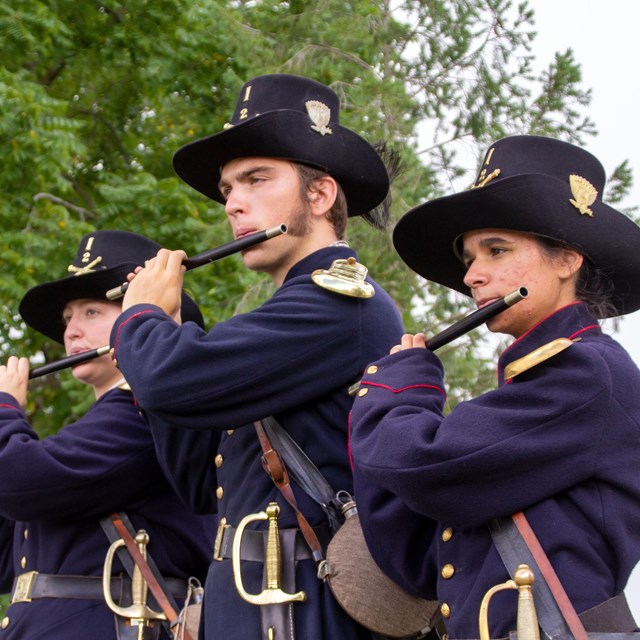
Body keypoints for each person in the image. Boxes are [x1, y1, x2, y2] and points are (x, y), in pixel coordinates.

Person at [106, 73, 405, 640]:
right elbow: (198, 484)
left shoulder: (340, 305)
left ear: (319, 195)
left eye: (256, 179)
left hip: (304, 608)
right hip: (251, 606)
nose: (234, 204)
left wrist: (140, 318)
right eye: (227, 190)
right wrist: (164, 327)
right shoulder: (288, 313)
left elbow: (172, 380)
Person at [348, 135, 640, 639]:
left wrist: (399, 391)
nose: (474, 276)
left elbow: (422, 462)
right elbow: (419, 564)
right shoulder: (530, 389)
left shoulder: (588, 375)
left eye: (496, 251)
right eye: (469, 259)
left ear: (567, 260)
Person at [0, 230, 215, 639]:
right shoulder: (94, 427)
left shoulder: (143, 413)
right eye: (68, 319)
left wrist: (5, 409)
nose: (71, 332)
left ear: (142, 314)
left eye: (91, 313)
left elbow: (18, 479)